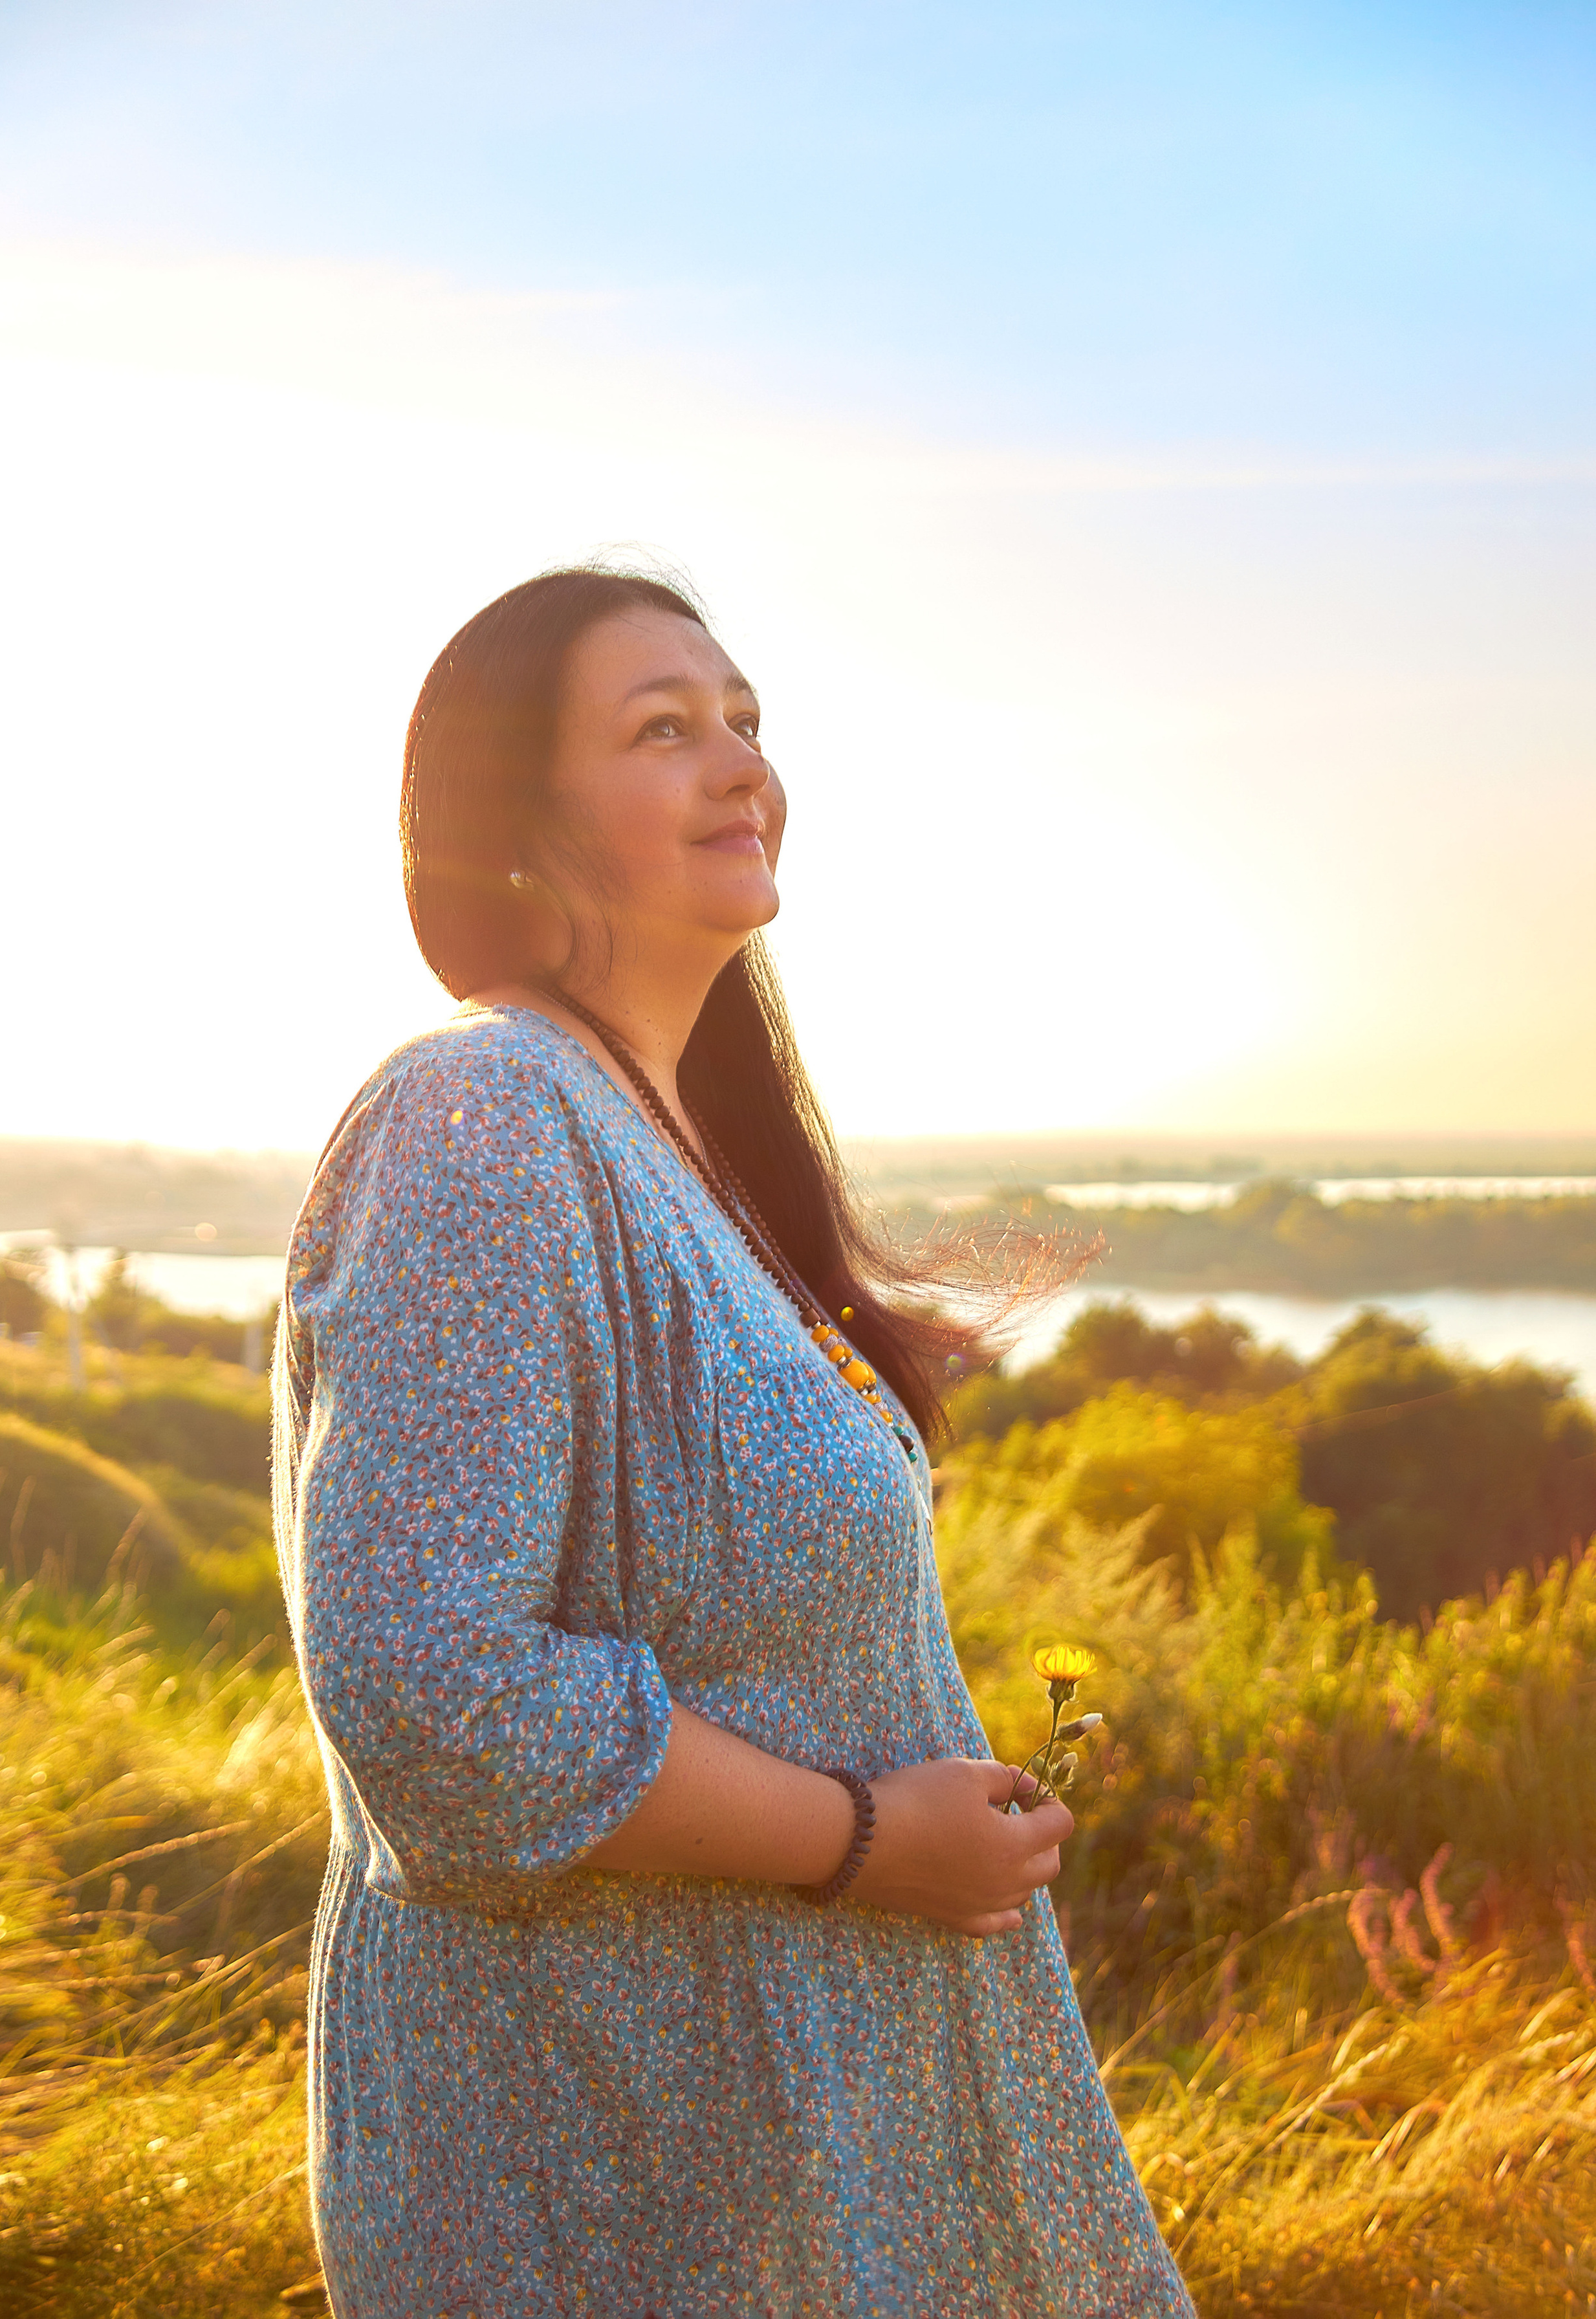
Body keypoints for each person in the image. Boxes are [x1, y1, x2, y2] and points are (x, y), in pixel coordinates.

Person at [272, 566, 1194, 2317]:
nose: (740, 766)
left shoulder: (676, 1144)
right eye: (664, 729)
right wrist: (864, 1836)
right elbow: (432, 1688)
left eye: (749, 722)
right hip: (614, 2170)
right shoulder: (479, 1114)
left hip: (792, 2146)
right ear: (517, 821)